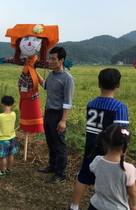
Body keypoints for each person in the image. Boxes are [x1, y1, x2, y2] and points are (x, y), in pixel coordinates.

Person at [69, 68, 129, 210]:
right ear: (118, 84)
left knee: (83, 176)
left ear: (98, 84)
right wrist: (122, 154)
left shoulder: (91, 103)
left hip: (91, 146)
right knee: (111, 180)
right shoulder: (120, 107)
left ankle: (74, 206)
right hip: (111, 150)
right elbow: (121, 134)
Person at [36, 46, 75, 184]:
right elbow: (45, 85)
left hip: (58, 115)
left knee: (60, 145)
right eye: (49, 58)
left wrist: (63, 120)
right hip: (48, 113)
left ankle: (60, 173)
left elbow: (67, 102)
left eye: (53, 59)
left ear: (61, 60)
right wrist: (33, 71)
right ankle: (52, 165)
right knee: (51, 142)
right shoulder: (51, 74)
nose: (50, 61)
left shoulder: (67, 79)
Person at [87, 125, 136, 210]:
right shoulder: (128, 169)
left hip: (95, 206)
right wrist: (133, 205)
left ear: (105, 142)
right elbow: (132, 192)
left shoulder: (97, 160)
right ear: (126, 145)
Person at [0, 96, 19, 178]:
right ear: (12, 105)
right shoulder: (14, 114)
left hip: (3, 139)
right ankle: (9, 169)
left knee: (3, 157)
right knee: (11, 155)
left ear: (2, 105)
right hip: (12, 137)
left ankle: (2, 172)